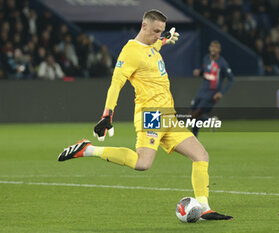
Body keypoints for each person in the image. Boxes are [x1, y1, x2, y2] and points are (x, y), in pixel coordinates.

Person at [57, 9, 232, 221]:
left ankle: (204, 209)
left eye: (162, 31)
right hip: (151, 115)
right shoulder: (130, 52)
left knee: (201, 155)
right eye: (156, 31)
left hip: (169, 116)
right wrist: (107, 115)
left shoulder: (151, 45)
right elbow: (116, 84)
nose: (158, 35)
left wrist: (164, 40)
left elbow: (155, 46)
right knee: (142, 164)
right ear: (144, 26)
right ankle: (88, 149)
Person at [190, 40, 234, 137]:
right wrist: (199, 72)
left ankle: (196, 135)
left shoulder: (222, 63)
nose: (213, 49)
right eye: (212, 46)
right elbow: (205, 71)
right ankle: (208, 123)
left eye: (216, 47)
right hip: (202, 91)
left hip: (212, 93)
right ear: (209, 48)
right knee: (191, 115)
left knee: (197, 114)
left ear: (219, 50)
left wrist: (221, 92)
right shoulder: (206, 58)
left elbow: (231, 79)